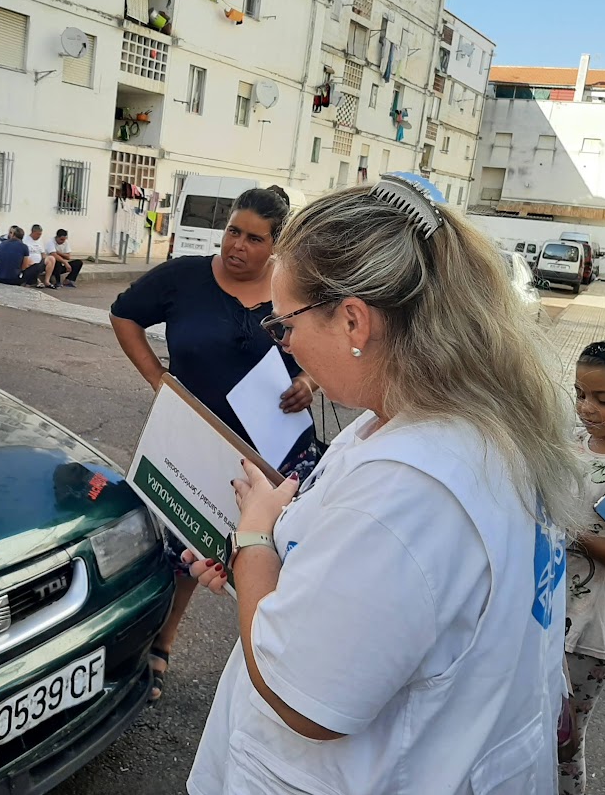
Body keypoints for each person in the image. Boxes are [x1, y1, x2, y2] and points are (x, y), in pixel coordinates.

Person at [184, 176, 581, 795]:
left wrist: (256, 540)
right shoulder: (448, 418)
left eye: (283, 325)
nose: (284, 345)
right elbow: (378, 596)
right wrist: (256, 572)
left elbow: (304, 700)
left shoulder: (411, 489)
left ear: (353, 321)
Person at [110, 185, 319, 702]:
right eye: (233, 231)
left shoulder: (296, 288)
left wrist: (310, 381)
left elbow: (327, 344)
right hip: (195, 441)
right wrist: (157, 376)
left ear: (276, 244)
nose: (237, 245)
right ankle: (162, 640)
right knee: (189, 553)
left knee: (281, 556)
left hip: (275, 451)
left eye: (253, 238)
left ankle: (283, 664)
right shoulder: (185, 278)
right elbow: (123, 313)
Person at [560, 336, 605, 794]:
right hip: (547, 610)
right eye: (581, 393)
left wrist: (571, 530)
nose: (587, 407)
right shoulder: (574, 442)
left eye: (603, 399)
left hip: (592, 630)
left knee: (564, 737)